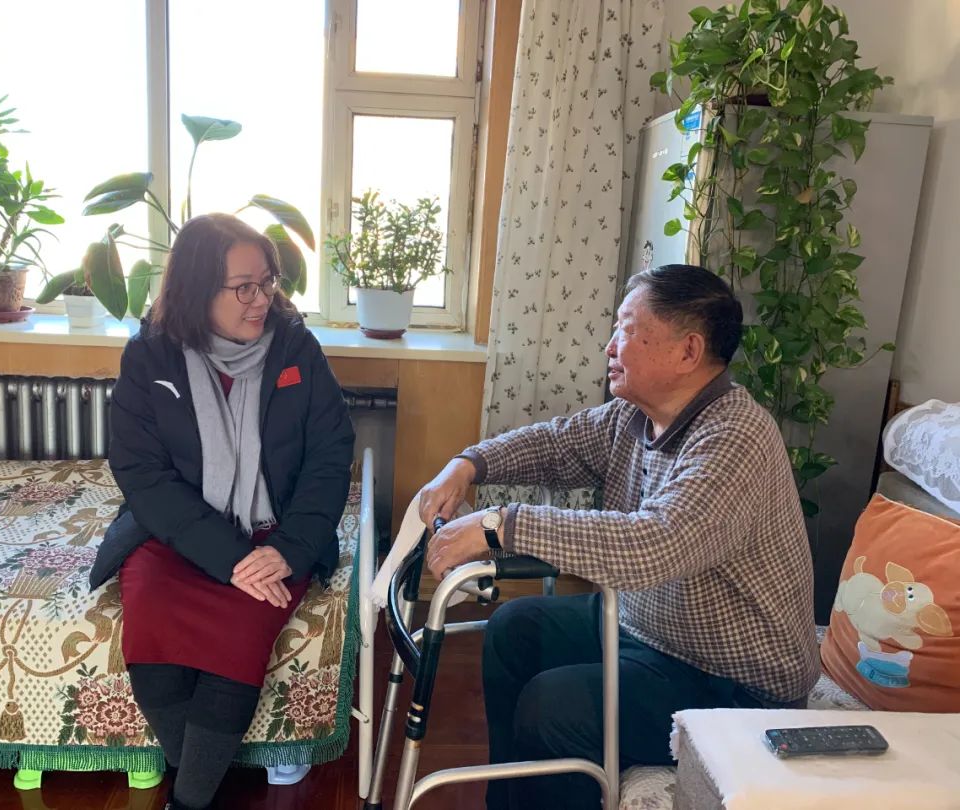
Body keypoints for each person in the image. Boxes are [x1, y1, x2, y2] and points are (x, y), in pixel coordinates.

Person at [418, 264, 819, 810]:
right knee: (515, 628)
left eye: (627, 330)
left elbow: (657, 543)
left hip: (735, 685)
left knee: (554, 707)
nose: (609, 347)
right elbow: (556, 444)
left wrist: (499, 526)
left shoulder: (736, 437)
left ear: (688, 351)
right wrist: (466, 465)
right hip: (651, 631)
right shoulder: (634, 417)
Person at [89, 213, 355, 810]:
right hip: (177, 534)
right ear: (197, 290)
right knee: (151, 634)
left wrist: (289, 549)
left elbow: (329, 456)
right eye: (244, 287)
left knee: (239, 636)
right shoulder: (151, 354)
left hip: (273, 534)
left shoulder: (296, 348)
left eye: (268, 283)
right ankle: (197, 782)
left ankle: (188, 801)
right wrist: (229, 557)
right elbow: (141, 473)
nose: (261, 300)